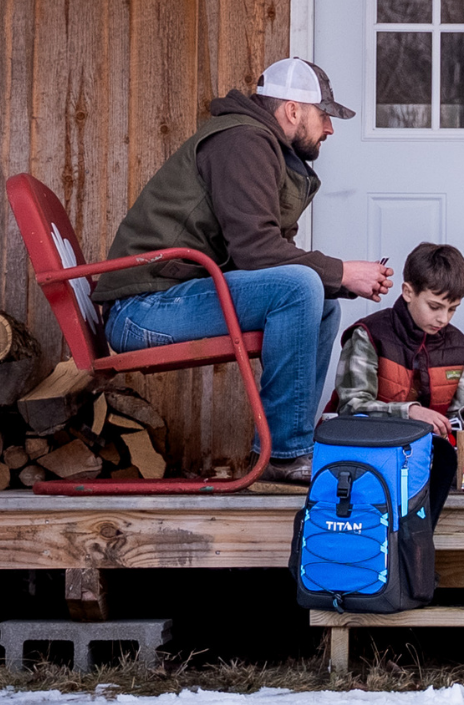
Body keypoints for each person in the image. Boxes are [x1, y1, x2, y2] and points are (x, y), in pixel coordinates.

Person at [98, 57, 394, 484]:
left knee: (322, 302)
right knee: (301, 289)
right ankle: (287, 453)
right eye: (324, 115)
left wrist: (337, 280)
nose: (330, 128)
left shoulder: (257, 143)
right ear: (293, 110)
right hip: (142, 310)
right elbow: (257, 251)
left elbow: (257, 254)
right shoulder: (243, 141)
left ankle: (290, 445)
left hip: (166, 298)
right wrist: (342, 271)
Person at [328, 241, 464, 436]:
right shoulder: (368, 334)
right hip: (365, 452)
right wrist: (410, 412)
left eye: (452, 309)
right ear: (408, 292)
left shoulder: (458, 346)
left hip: (426, 454)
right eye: (434, 307)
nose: (443, 319)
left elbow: (450, 421)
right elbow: (351, 407)